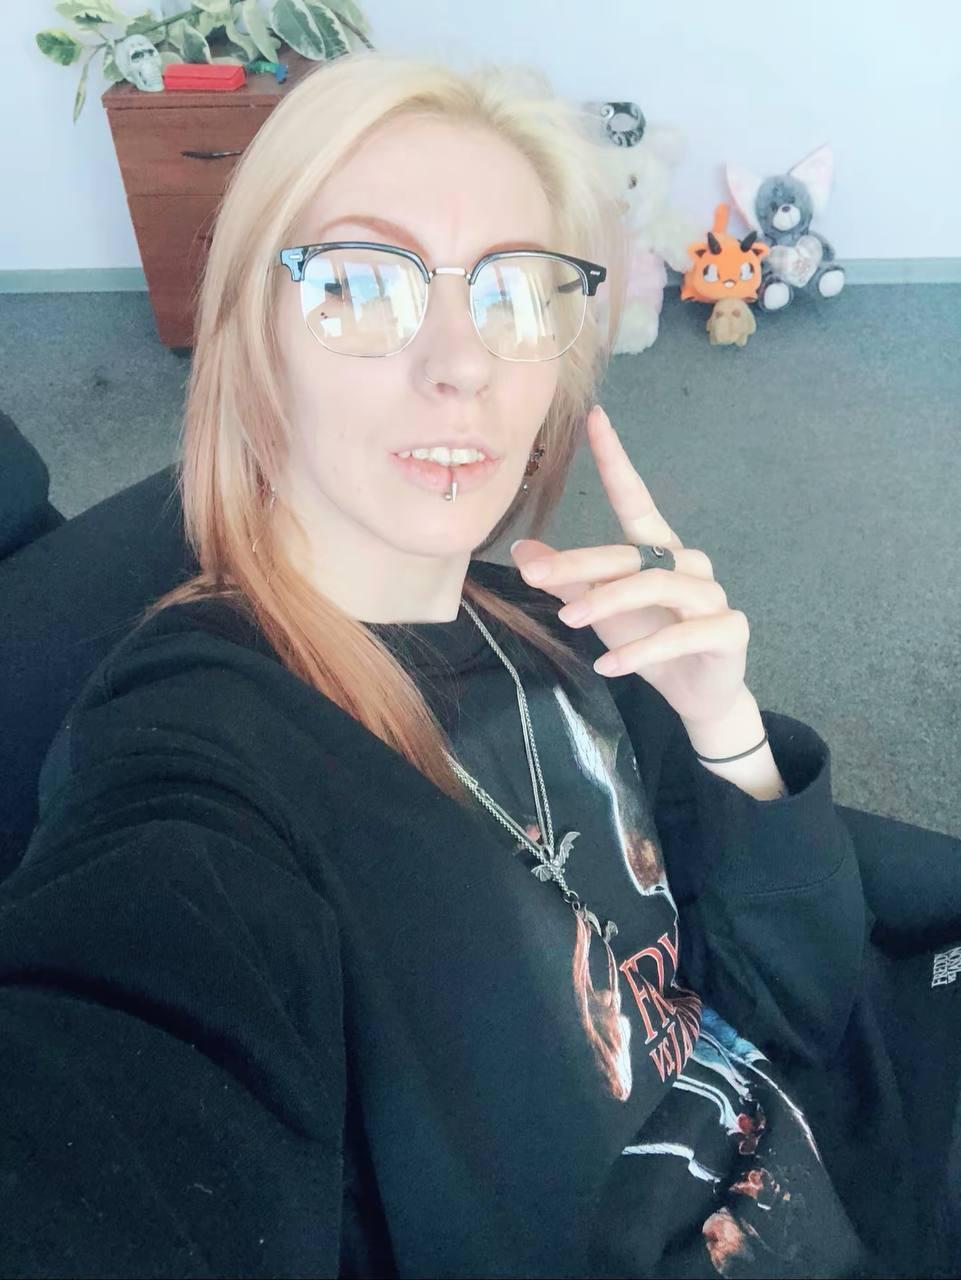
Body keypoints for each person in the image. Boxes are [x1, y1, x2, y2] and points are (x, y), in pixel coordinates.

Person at [0, 49, 958, 1280]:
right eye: (361, 281)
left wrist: (723, 724)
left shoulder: (562, 625)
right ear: (252, 338)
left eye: (513, 291)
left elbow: (799, 1000)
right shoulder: (199, 747)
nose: (461, 362)